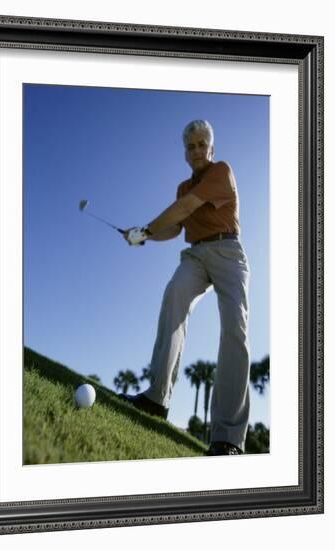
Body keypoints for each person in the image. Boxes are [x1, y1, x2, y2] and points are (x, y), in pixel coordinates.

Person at [120, 120, 250, 456]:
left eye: (201, 144)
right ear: (185, 152)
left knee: (235, 328)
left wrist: (146, 227)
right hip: (194, 255)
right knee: (174, 295)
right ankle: (156, 398)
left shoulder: (221, 171)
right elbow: (175, 228)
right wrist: (145, 236)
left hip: (227, 252)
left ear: (211, 147)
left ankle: (228, 437)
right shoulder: (182, 187)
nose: (196, 151)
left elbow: (187, 207)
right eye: (190, 146)